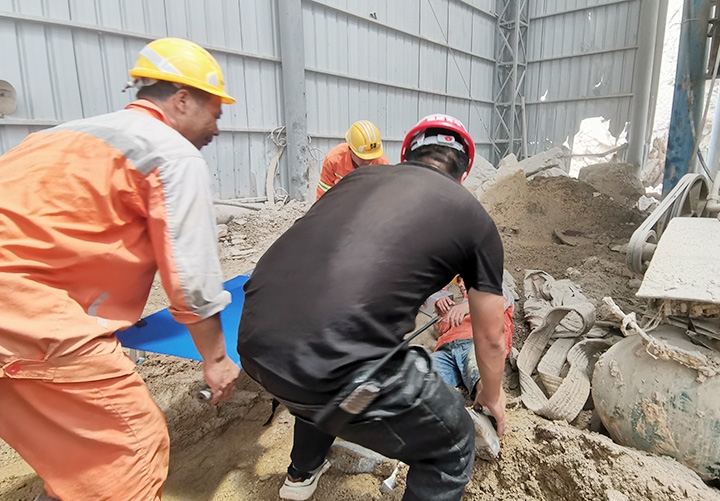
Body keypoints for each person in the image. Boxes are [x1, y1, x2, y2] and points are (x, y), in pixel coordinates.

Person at [0, 38, 240, 501]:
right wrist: (215, 359)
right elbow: (190, 278)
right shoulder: (170, 153)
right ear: (182, 99)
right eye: (215, 113)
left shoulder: (56, 136)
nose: (216, 128)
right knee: (131, 458)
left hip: (19, 316)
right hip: (32, 318)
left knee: (76, 463)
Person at [239, 114, 508, 501]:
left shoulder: (354, 182)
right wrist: (492, 396)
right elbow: (492, 335)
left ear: (404, 157)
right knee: (452, 446)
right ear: (464, 174)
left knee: (322, 358)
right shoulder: (474, 218)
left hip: (254, 341)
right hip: (337, 371)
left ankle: (301, 475)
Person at [432, 276, 516, 460]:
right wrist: (440, 303)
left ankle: (488, 429)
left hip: (476, 344)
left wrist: (468, 306)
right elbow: (441, 327)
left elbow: (497, 298)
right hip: (446, 350)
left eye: (465, 278)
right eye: (458, 281)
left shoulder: (495, 287)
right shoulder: (457, 307)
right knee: (422, 380)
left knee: (481, 375)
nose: (461, 285)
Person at [315, 120, 390, 200]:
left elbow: (385, 195)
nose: (367, 161)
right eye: (362, 158)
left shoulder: (382, 164)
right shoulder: (334, 161)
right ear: (350, 149)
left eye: (371, 158)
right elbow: (324, 193)